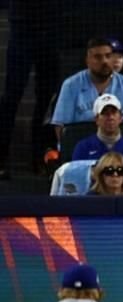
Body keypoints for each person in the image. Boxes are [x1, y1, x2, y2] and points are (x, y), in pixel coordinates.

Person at [0, 0, 61, 179]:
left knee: (47, 97)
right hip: (22, 25)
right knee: (12, 96)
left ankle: (40, 157)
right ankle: (1, 158)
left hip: (51, 26)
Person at [51, 37, 123, 138]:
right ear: (88, 61)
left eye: (108, 56)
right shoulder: (70, 85)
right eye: (98, 57)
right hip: (82, 150)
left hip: (118, 150)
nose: (104, 61)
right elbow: (61, 128)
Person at [71, 94, 123, 169]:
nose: (110, 117)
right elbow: (76, 178)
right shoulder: (82, 148)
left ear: (120, 117)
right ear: (96, 119)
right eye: (105, 113)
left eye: (114, 112)